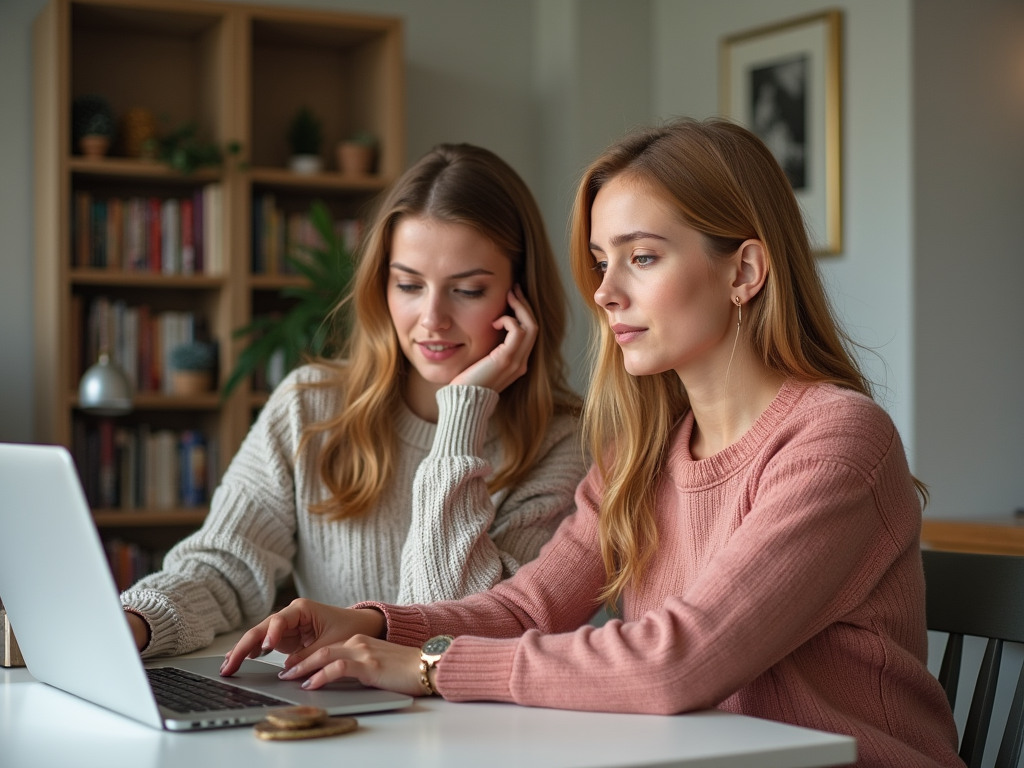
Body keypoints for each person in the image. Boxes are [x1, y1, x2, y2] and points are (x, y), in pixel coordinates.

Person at [223, 119, 963, 768]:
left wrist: (423, 663)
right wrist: (375, 624)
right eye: (603, 261)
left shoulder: (835, 440)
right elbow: (525, 608)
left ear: (743, 272)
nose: (605, 291)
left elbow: (678, 661)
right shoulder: (645, 449)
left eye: (641, 257)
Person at [121, 143, 586, 658]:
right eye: (409, 284)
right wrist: (134, 621)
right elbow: (224, 568)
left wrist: (463, 415)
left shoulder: (562, 441)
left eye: (468, 290)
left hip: (474, 726)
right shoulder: (309, 406)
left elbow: (454, 629)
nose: (431, 318)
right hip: (330, 717)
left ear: (520, 296)